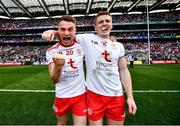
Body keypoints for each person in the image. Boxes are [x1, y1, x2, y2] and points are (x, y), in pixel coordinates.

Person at [42, 11, 137, 125]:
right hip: (91, 95)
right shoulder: (85, 40)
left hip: (112, 96)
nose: (104, 24)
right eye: (101, 22)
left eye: (107, 21)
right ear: (95, 26)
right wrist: (52, 32)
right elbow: (66, 34)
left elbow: (123, 70)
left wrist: (130, 97)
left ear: (112, 25)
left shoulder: (117, 46)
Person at [45, 16, 87, 125]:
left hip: (80, 95)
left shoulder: (82, 45)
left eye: (70, 29)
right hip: (62, 96)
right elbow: (54, 80)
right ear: (58, 31)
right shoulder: (51, 51)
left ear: (75, 31)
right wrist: (58, 66)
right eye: (63, 29)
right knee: (61, 124)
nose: (67, 33)